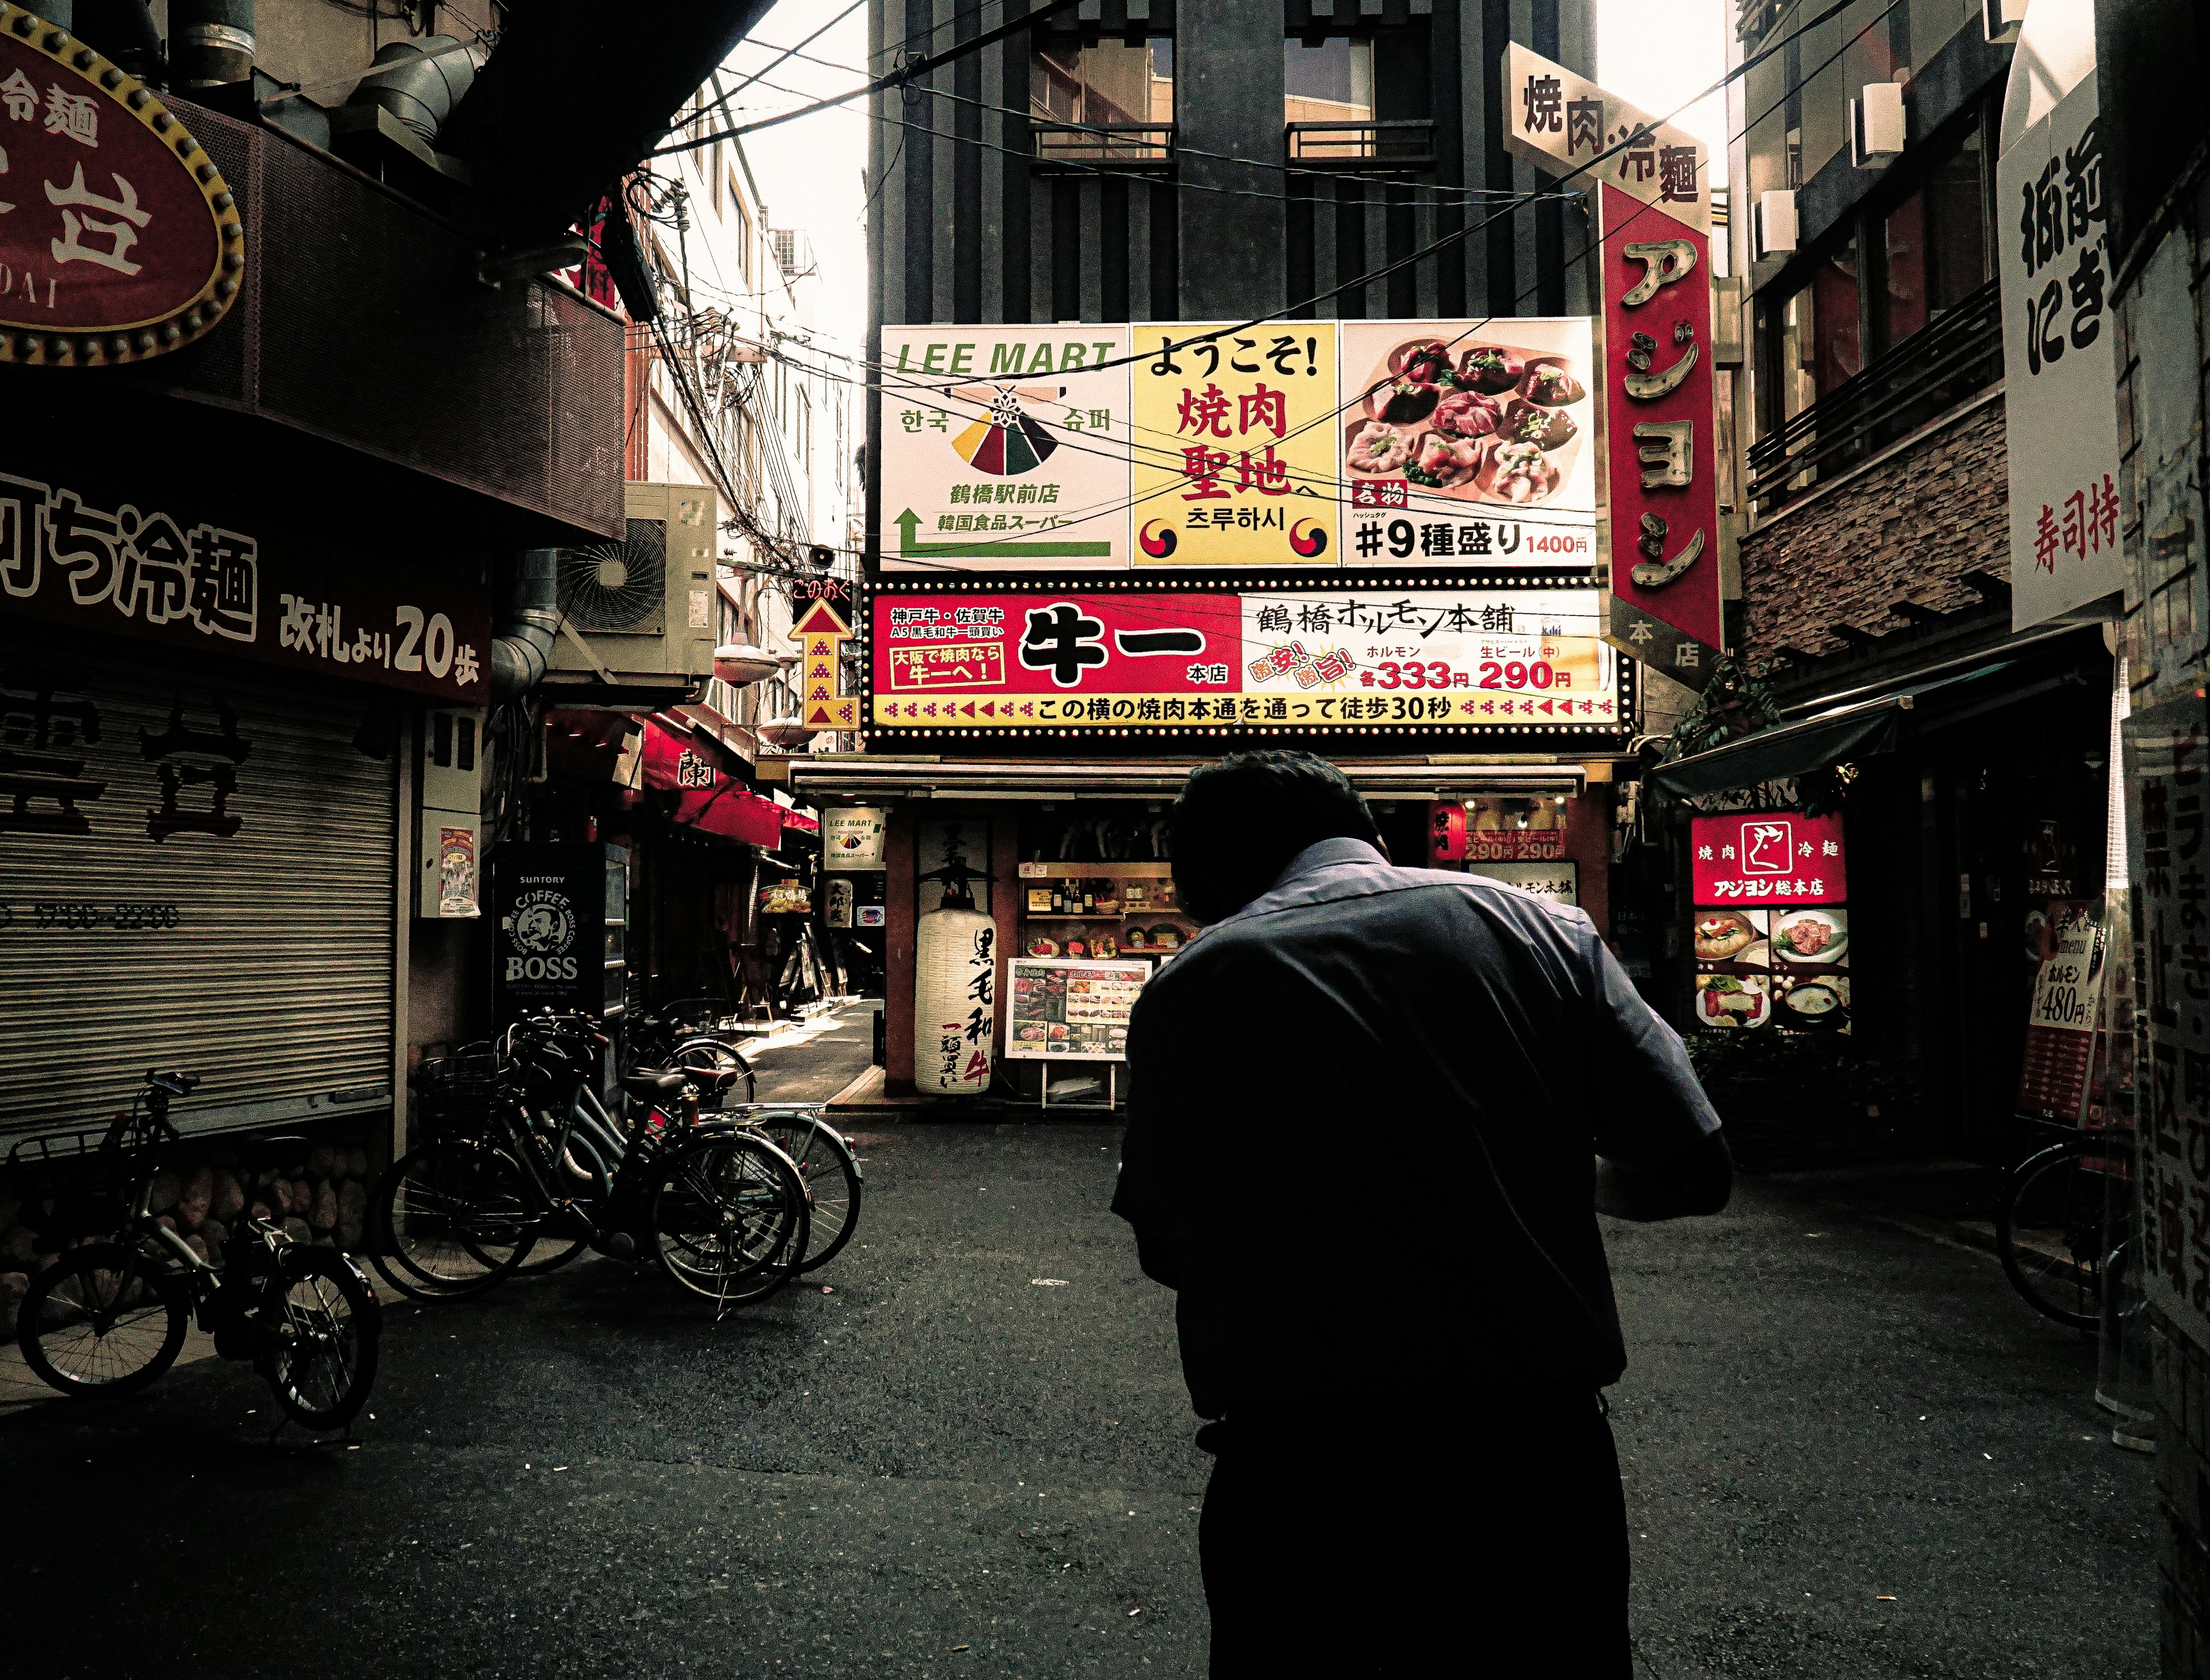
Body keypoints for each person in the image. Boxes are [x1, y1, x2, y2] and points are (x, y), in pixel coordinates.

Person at [1112, 751, 1731, 1677]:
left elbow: (1168, 1243)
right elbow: (1695, 1167)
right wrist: (1543, 1179)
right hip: (1533, 1460)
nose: (1179, 888)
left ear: (1227, 856)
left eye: (1180, 863)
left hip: (1302, 1473)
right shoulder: (1545, 932)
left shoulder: (1197, 982)